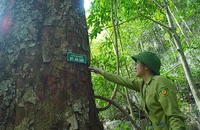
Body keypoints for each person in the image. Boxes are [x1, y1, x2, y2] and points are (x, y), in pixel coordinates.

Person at [89, 51, 186, 130]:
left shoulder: (160, 82)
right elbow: (122, 80)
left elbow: (174, 115)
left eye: (137, 63)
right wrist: (101, 72)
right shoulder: (143, 84)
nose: (135, 67)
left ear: (147, 66)